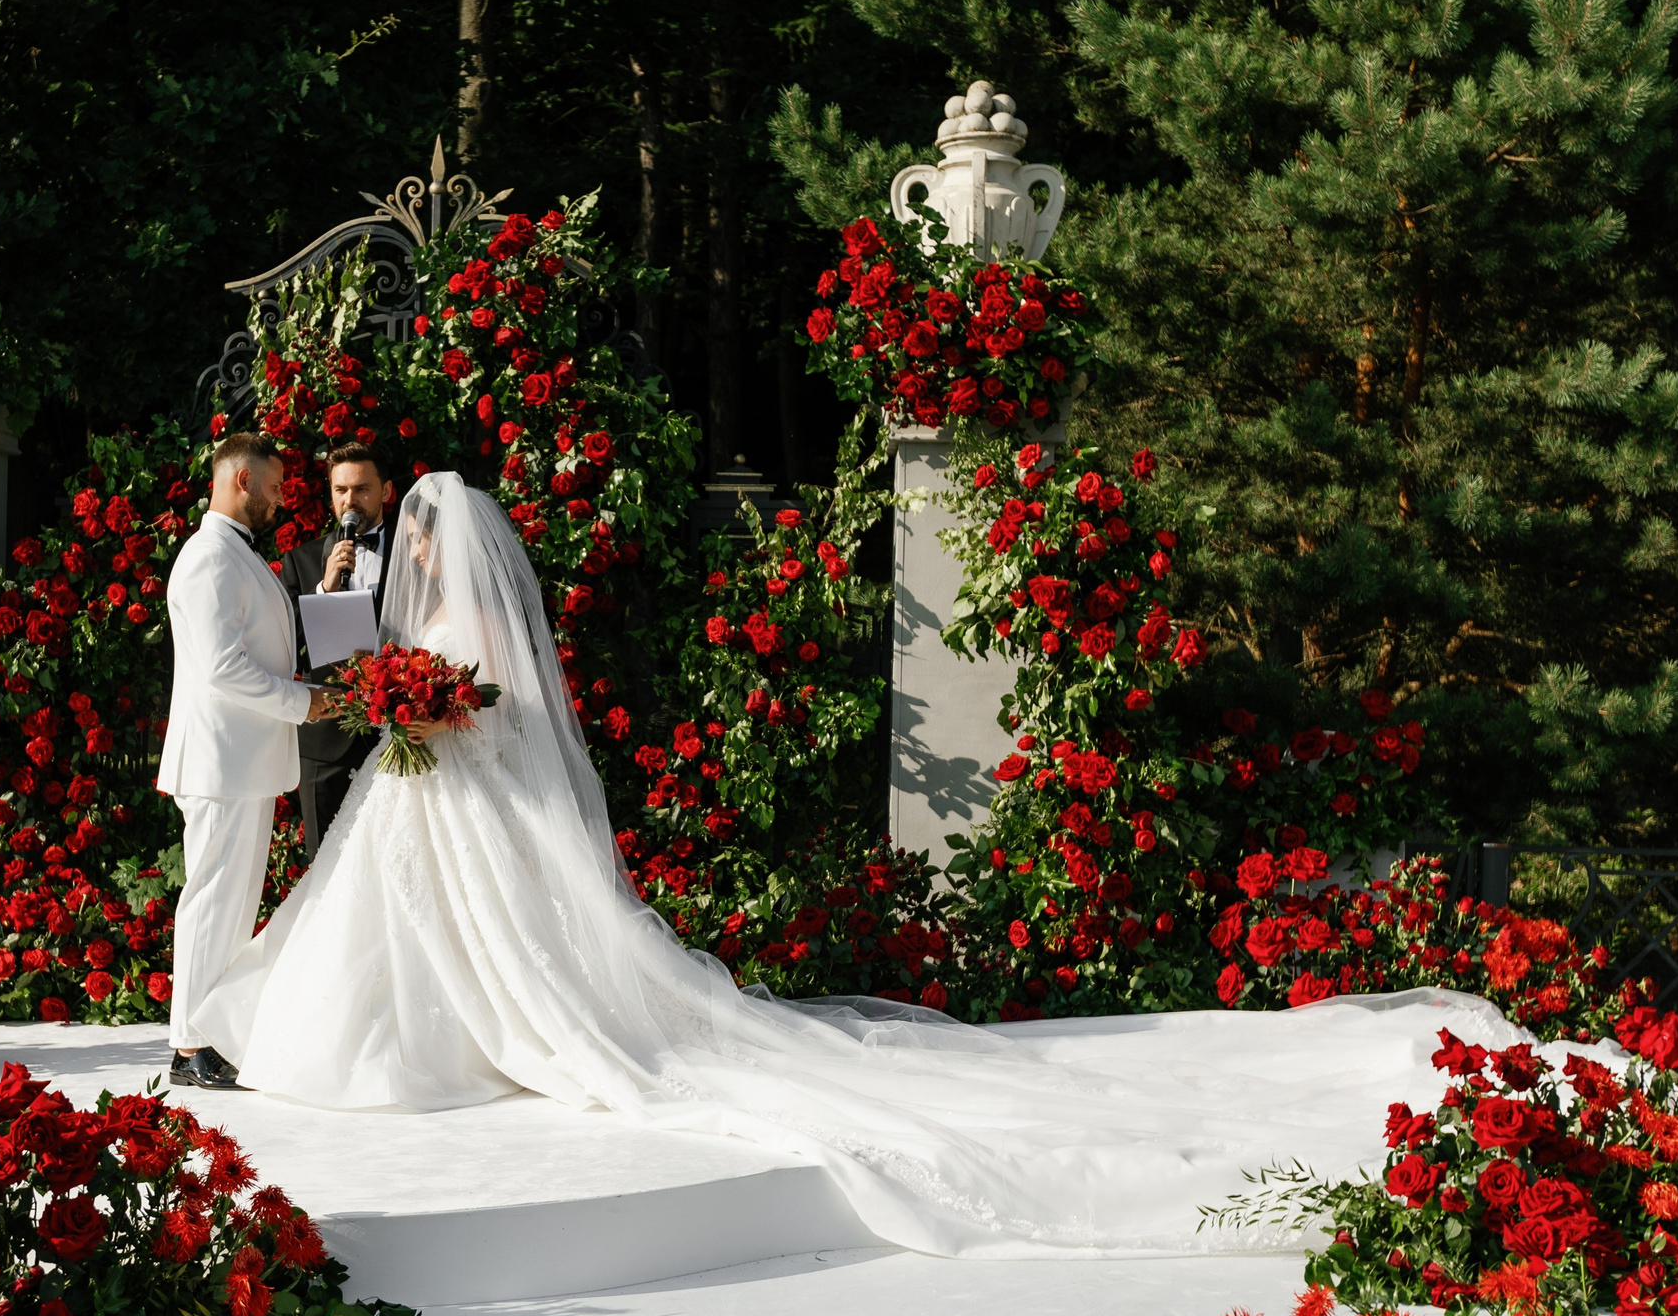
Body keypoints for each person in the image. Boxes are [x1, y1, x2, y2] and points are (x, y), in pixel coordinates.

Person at [188, 474, 1591, 1258]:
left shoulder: (463, 618)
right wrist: (396, 700)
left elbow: (482, 695)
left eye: (423, 532)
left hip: (450, 782)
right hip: (415, 784)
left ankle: (452, 1039)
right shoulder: (396, 591)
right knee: (387, 921)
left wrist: (416, 699)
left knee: (491, 947)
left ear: (449, 541)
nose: (415, 545)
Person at [154, 432, 329, 1092]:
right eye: (276, 486)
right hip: (221, 761)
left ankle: (210, 1037)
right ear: (240, 482)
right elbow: (222, 666)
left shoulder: (234, 556)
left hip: (241, 761)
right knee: (212, 903)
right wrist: (301, 704)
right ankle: (190, 1044)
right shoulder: (208, 559)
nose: (283, 498)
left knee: (228, 904)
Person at [280, 442, 395, 860]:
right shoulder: (302, 560)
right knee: (325, 865)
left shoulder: (414, 552)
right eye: (340, 490)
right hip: (326, 739)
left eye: (362, 489)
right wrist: (325, 588)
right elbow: (285, 643)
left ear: (385, 492)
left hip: (397, 733)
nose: (350, 500)